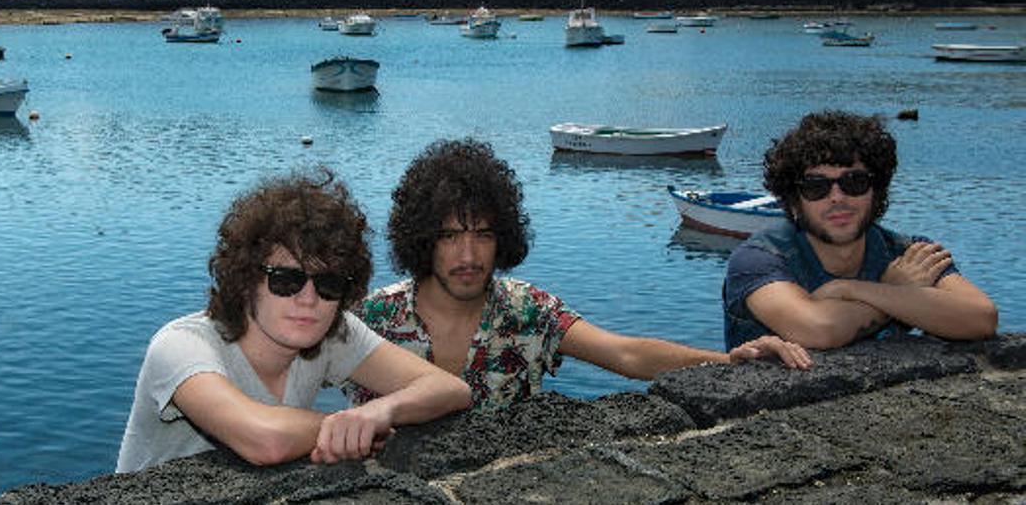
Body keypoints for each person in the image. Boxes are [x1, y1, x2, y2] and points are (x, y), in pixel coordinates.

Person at [343, 139, 812, 410]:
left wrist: (732, 362)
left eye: (482, 234)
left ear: (503, 235)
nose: (468, 253)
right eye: (449, 236)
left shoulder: (529, 311)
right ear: (423, 239)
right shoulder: (371, 319)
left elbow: (626, 354)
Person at [117, 169, 471, 473]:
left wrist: (379, 412)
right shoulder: (182, 346)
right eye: (285, 280)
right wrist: (343, 428)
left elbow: (451, 390)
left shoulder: (331, 331)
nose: (308, 299)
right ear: (245, 279)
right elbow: (264, 439)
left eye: (329, 284)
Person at [723, 110, 997, 350]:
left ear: (876, 192)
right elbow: (817, 329)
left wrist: (849, 289)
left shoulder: (907, 253)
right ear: (794, 200)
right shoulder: (759, 260)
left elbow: (980, 318)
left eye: (854, 182)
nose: (837, 198)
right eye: (816, 186)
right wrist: (895, 289)